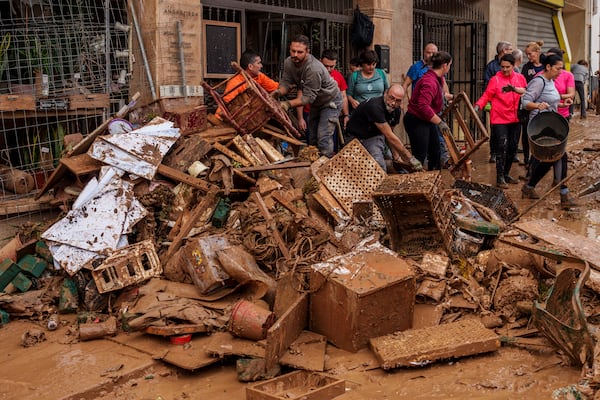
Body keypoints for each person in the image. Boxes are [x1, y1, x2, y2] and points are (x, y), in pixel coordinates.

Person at [271, 34, 342, 158]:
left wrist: (287, 104)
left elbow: (308, 98)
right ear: (289, 49)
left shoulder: (313, 68)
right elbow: (286, 82)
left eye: (300, 52)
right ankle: (312, 166)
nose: (295, 55)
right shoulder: (289, 62)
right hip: (316, 102)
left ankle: (327, 168)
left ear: (307, 52)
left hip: (330, 101)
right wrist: (279, 92)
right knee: (312, 137)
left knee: (323, 136)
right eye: (293, 51)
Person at [520, 54, 576, 208]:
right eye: (558, 68)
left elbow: (551, 103)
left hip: (549, 124)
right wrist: (537, 106)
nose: (560, 71)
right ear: (548, 67)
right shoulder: (539, 81)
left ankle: (529, 187)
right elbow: (525, 102)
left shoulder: (551, 81)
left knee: (552, 158)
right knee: (558, 156)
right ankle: (563, 195)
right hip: (539, 126)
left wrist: (563, 104)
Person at [474, 53, 526, 188]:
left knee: (513, 147)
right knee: (501, 147)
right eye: (502, 67)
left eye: (507, 67)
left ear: (513, 66)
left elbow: (527, 92)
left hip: (515, 118)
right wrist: (478, 105)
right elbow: (487, 95)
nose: (504, 69)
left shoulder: (520, 78)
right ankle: (500, 177)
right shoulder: (495, 80)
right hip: (499, 118)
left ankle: (506, 174)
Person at [345, 84, 422, 172]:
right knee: (354, 168)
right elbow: (389, 136)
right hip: (354, 136)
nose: (393, 103)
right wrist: (410, 157)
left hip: (373, 136)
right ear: (385, 93)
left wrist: (396, 157)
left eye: (398, 101)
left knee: (379, 166)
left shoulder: (396, 111)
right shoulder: (375, 106)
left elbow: (391, 134)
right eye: (391, 98)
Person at [403, 51, 453, 171]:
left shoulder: (438, 78)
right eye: (450, 65)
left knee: (435, 152)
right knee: (420, 156)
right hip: (417, 120)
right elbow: (423, 106)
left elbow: (436, 96)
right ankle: (416, 184)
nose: (449, 68)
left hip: (426, 120)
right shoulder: (430, 81)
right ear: (445, 65)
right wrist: (440, 122)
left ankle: (433, 182)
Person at [297, 49, 350, 147]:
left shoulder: (338, 76)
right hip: (310, 112)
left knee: (326, 142)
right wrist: (300, 118)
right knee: (312, 142)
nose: (329, 69)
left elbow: (343, 96)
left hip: (330, 113)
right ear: (320, 61)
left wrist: (346, 115)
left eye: (332, 66)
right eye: (326, 66)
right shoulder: (310, 73)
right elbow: (301, 95)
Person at [216, 49, 278, 119]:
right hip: (242, 117)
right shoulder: (235, 82)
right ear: (250, 66)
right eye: (258, 63)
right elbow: (224, 104)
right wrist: (218, 118)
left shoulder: (259, 76)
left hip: (257, 115)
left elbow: (276, 87)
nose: (261, 66)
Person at [484, 41, 513, 163]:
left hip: (508, 104)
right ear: (504, 50)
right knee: (495, 129)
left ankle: (509, 153)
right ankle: (494, 153)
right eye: (510, 49)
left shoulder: (513, 66)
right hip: (496, 103)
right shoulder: (491, 66)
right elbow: (487, 84)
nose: (512, 51)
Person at [519, 41, 545, 168]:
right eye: (527, 54)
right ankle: (526, 157)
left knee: (541, 131)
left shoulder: (546, 64)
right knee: (526, 131)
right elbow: (523, 83)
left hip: (543, 103)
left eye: (531, 54)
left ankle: (539, 156)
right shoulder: (526, 67)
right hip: (529, 103)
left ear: (537, 52)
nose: (529, 57)